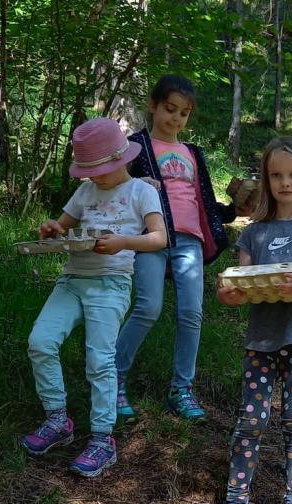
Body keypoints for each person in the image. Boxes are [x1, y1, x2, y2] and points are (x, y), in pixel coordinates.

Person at [20, 118, 167, 477]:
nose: (97, 176)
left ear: (122, 160)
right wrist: (51, 230)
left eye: (102, 169)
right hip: (71, 281)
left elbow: (158, 238)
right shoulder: (85, 191)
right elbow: (61, 228)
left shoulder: (141, 192)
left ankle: (103, 439)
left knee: (99, 360)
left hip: (110, 284)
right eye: (89, 170)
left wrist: (123, 242)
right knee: (40, 341)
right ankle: (58, 419)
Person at [217, 136, 292, 504]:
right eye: (276, 175)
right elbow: (242, 285)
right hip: (260, 342)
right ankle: (237, 492)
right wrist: (229, 293)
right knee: (250, 420)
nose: (285, 182)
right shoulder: (254, 233)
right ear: (266, 180)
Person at [114, 74, 237, 423]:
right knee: (147, 308)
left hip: (190, 240)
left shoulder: (192, 153)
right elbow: (112, 188)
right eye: (170, 109)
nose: (176, 119)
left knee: (191, 314)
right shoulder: (135, 147)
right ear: (153, 106)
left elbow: (204, 200)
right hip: (149, 239)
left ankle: (181, 388)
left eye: (184, 113)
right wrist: (136, 182)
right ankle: (114, 379)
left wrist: (233, 210)